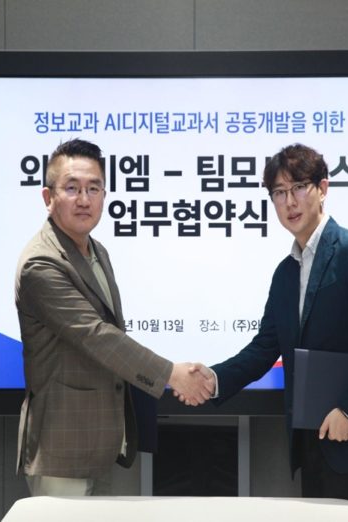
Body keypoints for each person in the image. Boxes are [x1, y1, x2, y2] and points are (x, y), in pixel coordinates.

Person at [185, 143, 348, 521]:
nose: (289, 202)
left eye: (299, 187)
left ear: (323, 188)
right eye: (279, 192)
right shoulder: (286, 272)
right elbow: (265, 347)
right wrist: (213, 378)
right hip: (312, 437)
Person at [15, 138, 213, 496]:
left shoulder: (96, 250)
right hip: (62, 447)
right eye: (72, 188)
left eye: (94, 188)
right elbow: (96, 336)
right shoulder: (41, 264)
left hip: (101, 443)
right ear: (48, 197)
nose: (84, 199)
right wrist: (171, 375)